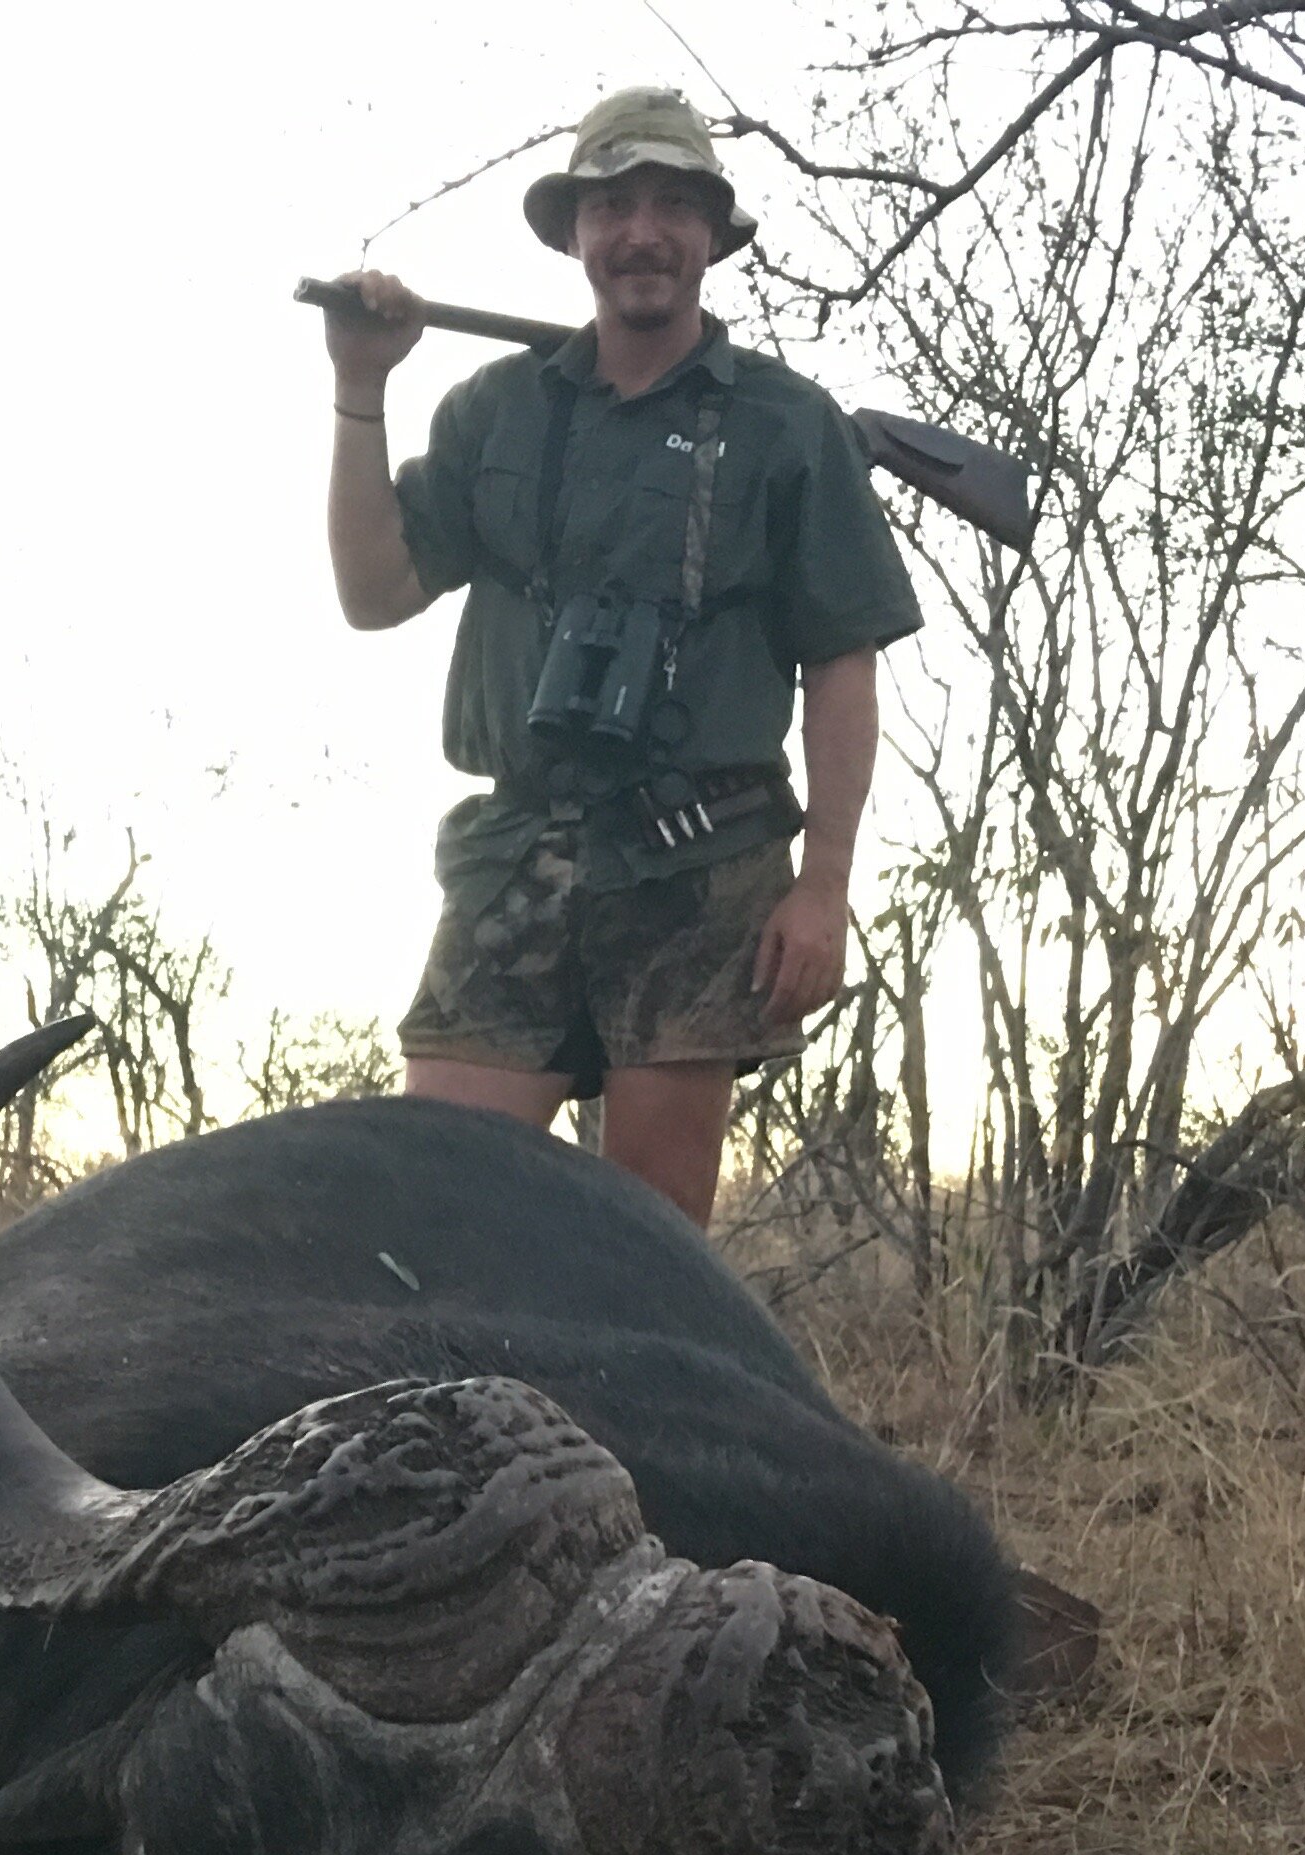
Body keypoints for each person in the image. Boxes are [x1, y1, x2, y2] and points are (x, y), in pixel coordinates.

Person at [320, 86, 921, 1228]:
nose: (642, 232)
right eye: (614, 207)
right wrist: (361, 387)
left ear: (710, 236)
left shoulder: (790, 425)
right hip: (516, 855)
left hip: (701, 864)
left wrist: (825, 886)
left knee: (648, 1245)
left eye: (672, 206)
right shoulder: (494, 408)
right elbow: (373, 591)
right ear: (576, 234)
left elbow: (843, 663)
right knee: (430, 1216)